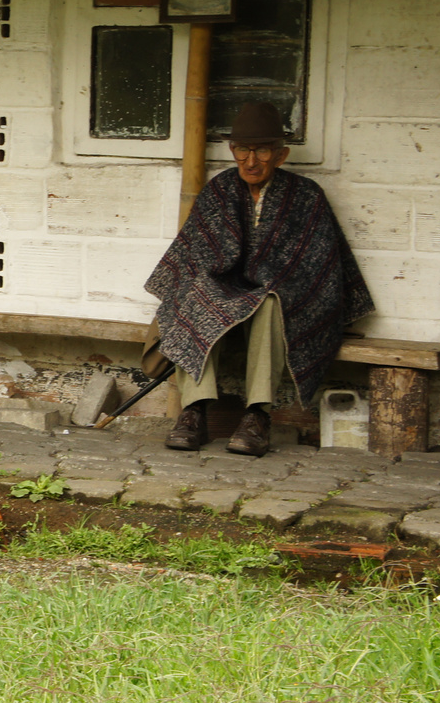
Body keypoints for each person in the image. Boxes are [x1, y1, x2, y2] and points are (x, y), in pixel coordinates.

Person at [143, 101, 374, 457]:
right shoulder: (220, 190)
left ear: (280, 155)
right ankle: (194, 411)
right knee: (197, 292)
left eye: (262, 150)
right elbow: (197, 255)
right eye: (242, 150)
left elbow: (317, 269)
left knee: (271, 301)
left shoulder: (306, 196)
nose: (251, 161)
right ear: (232, 151)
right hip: (226, 286)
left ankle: (257, 416)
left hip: (278, 293)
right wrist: (221, 283)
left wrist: (267, 282)